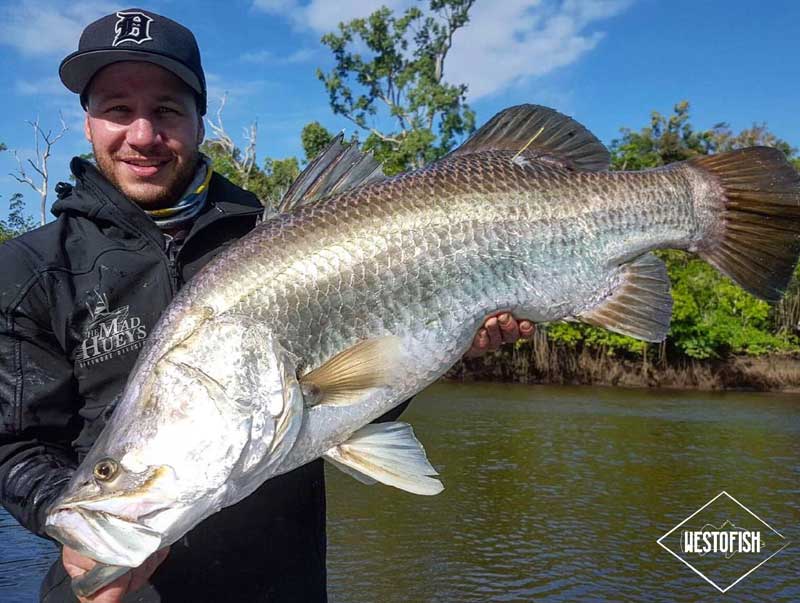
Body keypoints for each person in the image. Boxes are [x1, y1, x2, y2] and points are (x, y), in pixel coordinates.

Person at [0, 8, 534, 603]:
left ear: (201, 119)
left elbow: (358, 393)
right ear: (89, 121)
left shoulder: (272, 235)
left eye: (168, 109)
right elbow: (12, 444)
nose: (143, 134)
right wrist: (61, 515)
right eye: (118, 109)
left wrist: (450, 339)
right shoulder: (29, 271)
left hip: (283, 583)